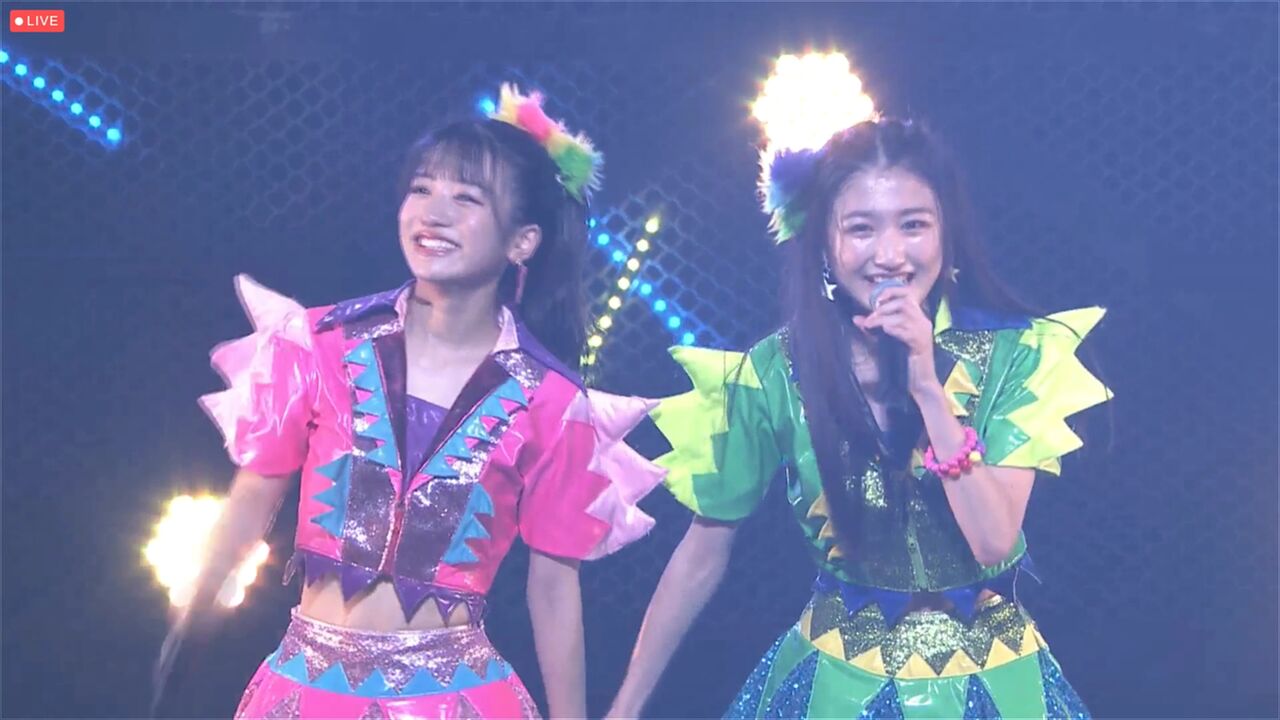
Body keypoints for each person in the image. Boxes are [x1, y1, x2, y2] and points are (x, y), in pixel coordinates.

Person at [173, 84, 665, 719]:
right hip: (303, 694)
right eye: (422, 189)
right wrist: (185, 630)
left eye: (467, 198)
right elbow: (250, 501)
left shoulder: (552, 401)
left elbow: (552, 586)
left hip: (454, 699)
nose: (433, 213)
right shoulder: (318, 344)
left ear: (523, 241)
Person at [608, 117, 1111, 718]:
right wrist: (625, 707)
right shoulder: (773, 373)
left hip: (996, 682)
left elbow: (993, 540)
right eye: (862, 229)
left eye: (914, 225)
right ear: (824, 243)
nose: (890, 255)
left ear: (947, 234)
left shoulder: (1016, 355)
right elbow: (703, 550)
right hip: (834, 684)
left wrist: (928, 389)